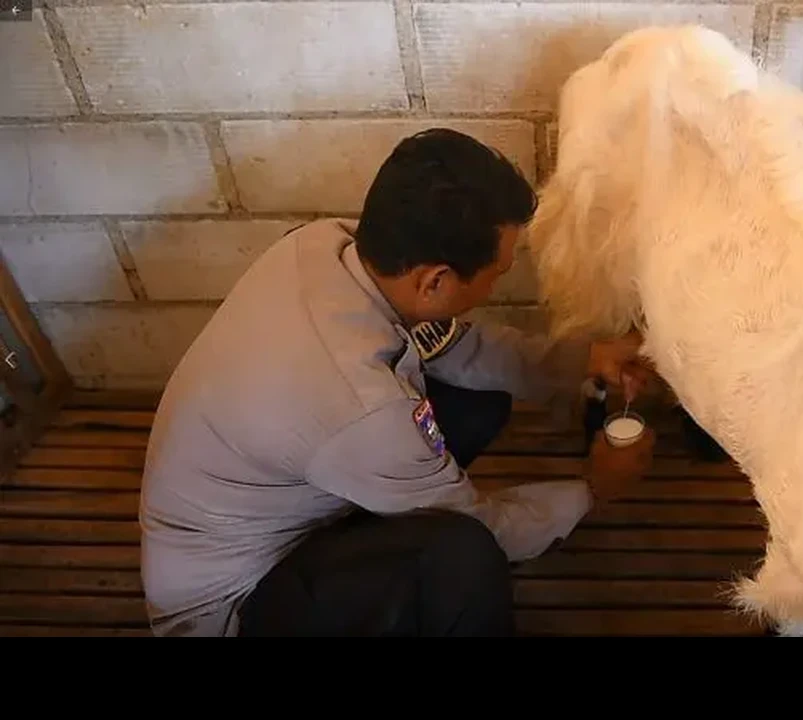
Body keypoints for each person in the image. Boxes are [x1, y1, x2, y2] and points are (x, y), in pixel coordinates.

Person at [138, 128, 657, 637]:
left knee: (478, 398)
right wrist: (592, 488)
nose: (497, 284)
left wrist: (585, 358)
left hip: (288, 503)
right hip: (233, 606)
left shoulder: (327, 245)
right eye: (496, 274)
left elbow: (454, 346)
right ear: (434, 280)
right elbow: (484, 527)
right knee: (462, 558)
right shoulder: (360, 406)